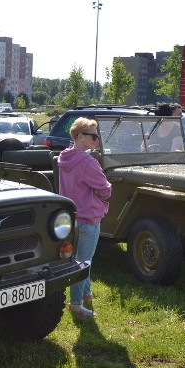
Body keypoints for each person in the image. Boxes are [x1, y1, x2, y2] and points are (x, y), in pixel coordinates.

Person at [58, 118, 112, 318]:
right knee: (83, 262)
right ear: (80, 136)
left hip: (71, 218)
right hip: (89, 218)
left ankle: (86, 295)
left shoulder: (63, 157)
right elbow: (106, 190)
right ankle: (76, 304)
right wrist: (104, 192)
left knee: (79, 260)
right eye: (93, 136)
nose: (97, 140)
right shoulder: (89, 162)